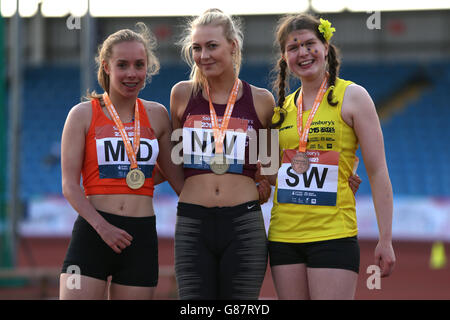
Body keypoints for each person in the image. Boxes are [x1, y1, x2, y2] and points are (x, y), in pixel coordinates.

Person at [267, 13, 395, 299]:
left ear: (326, 47)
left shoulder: (354, 97)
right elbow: (275, 174)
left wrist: (385, 238)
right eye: (293, 47)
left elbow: (378, 172)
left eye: (310, 43)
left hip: (333, 234)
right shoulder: (281, 109)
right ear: (285, 57)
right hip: (283, 236)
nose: (303, 53)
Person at [59, 23, 184, 300]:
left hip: (141, 235)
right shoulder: (82, 115)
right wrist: (102, 227)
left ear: (147, 67)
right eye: (122, 65)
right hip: (94, 231)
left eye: (139, 65)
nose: (132, 73)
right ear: (106, 66)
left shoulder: (157, 115)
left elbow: (174, 176)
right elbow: (69, 185)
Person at [169, 9, 274, 300]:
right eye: (197, 48)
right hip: (193, 223)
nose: (203, 55)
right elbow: (175, 160)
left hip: (243, 224)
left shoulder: (263, 101)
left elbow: (271, 165)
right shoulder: (181, 95)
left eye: (212, 46)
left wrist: (263, 182)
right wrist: (192, 193)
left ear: (233, 46)